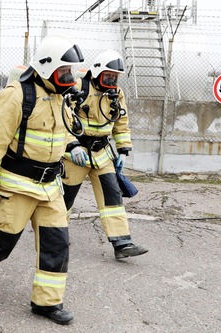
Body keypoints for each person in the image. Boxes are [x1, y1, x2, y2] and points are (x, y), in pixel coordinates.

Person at [0, 34, 84, 325]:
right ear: (46, 67)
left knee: (57, 243)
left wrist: (73, 145)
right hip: (17, 183)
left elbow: (61, 132)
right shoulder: (16, 94)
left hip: (50, 187)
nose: (70, 77)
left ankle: (46, 303)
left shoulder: (58, 96)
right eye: (65, 71)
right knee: (5, 239)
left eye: (72, 72)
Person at [62, 50, 148, 260]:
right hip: (77, 154)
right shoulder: (78, 88)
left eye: (116, 76)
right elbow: (60, 119)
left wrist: (123, 149)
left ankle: (122, 243)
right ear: (98, 71)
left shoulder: (116, 93)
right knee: (65, 199)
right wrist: (72, 146)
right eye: (109, 75)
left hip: (101, 154)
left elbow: (121, 122)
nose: (112, 80)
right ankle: (56, 234)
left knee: (113, 196)